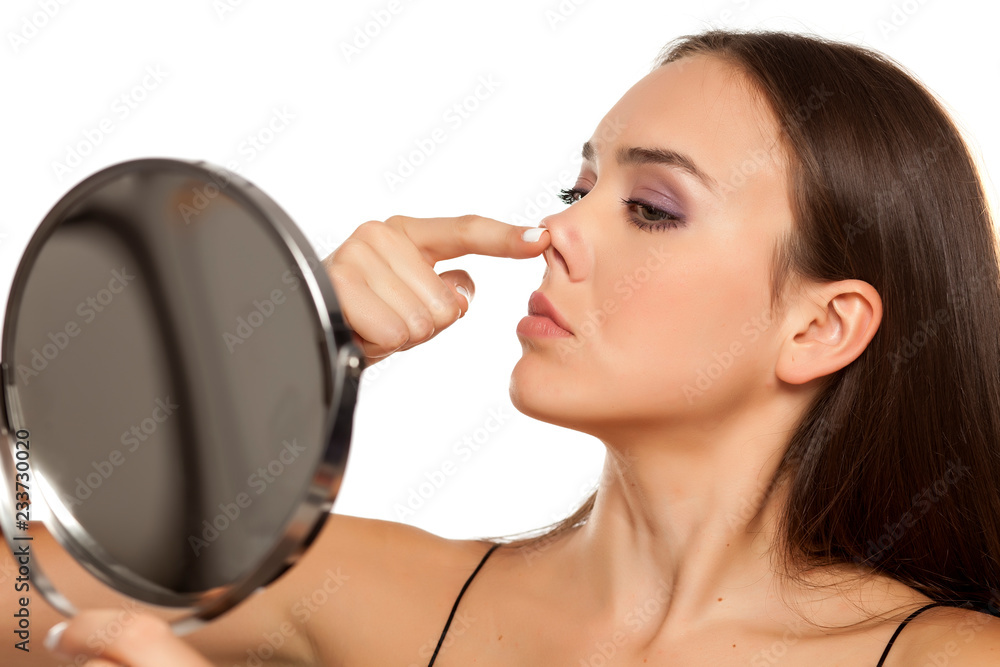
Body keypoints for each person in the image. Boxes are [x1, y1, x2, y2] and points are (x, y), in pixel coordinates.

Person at [34, 27, 1000, 666]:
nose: (559, 230)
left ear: (820, 327)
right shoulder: (380, 596)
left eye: (651, 208)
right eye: (578, 190)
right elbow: (20, 594)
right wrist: (276, 350)